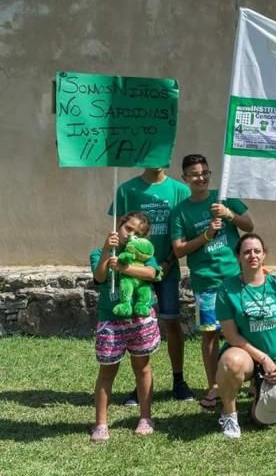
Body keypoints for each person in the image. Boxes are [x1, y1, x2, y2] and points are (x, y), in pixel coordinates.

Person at [170, 154, 253, 410]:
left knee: (247, 330)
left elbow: (249, 225)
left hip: (235, 278)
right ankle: (214, 385)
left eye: (205, 172)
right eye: (195, 174)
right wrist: (206, 236)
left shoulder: (223, 197)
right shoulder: (180, 212)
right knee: (210, 335)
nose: (201, 177)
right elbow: (178, 250)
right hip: (206, 282)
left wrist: (228, 214)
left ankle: (253, 380)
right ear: (185, 179)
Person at [109, 167, 193, 405]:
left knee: (171, 321)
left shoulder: (180, 190)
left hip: (167, 269)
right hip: (133, 273)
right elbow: (118, 233)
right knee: (138, 324)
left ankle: (179, 381)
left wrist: (167, 262)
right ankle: (140, 386)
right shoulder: (126, 190)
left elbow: (182, 231)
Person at [215, 234, 276, 439]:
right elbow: (232, 335)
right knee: (230, 362)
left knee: (262, 419)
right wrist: (262, 358)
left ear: (264, 254)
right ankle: (229, 414)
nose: (252, 255)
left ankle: (260, 392)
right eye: (246, 251)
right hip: (247, 356)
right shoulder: (227, 290)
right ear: (238, 257)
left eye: (257, 251)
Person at [90, 212, 161, 442]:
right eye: (128, 229)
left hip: (139, 319)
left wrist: (124, 268)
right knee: (107, 370)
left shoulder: (143, 254)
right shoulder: (100, 253)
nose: (131, 236)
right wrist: (105, 250)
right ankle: (101, 424)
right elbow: (100, 277)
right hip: (111, 320)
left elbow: (151, 273)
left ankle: (145, 417)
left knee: (142, 367)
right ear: (119, 225)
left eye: (138, 233)